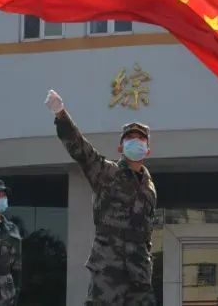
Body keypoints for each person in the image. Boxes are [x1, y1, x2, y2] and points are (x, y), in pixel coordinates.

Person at [46, 89, 157, 305]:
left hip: (139, 275)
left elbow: (147, 232)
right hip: (109, 271)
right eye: (130, 138)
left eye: (141, 139)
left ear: (148, 150)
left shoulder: (149, 187)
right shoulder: (106, 173)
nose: (136, 142)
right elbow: (81, 150)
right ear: (121, 146)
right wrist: (61, 114)